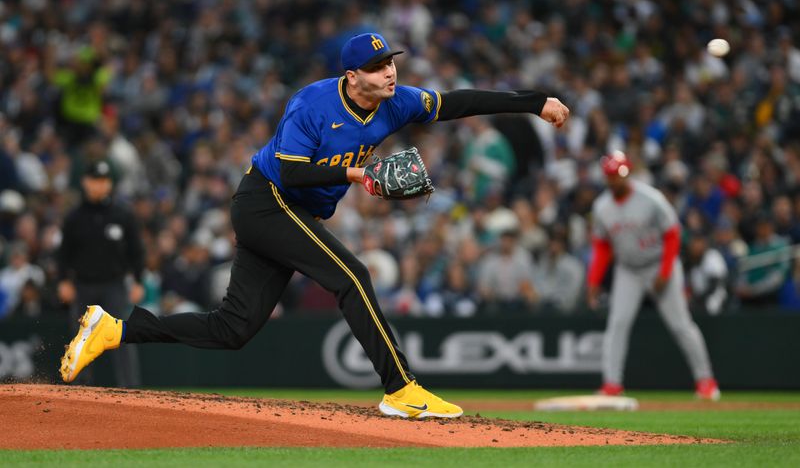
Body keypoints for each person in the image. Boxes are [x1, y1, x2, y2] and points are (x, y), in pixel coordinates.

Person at [61, 32, 569, 418]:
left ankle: (115, 329)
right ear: (352, 76)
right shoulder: (312, 104)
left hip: (292, 213)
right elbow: (290, 170)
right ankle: (400, 389)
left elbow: (459, 102)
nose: (389, 72)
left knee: (232, 328)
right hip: (267, 200)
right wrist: (358, 172)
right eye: (376, 66)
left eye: (391, 61)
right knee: (352, 277)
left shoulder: (397, 102)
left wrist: (532, 102)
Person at [587, 151, 720, 400]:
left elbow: (672, 235)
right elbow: (602, 247)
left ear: (628, 173)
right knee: (617, 325)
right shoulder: (602, 207)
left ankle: (707, 382)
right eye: (611, 176)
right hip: (628, 270)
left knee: (680, 325)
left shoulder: (651, 199)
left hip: (659, 264)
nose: (616, 179)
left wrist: (666, 271)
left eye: (619, 174)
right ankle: (612, 385)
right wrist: (593, 282)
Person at [57, 160, 144, 387]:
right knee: (81, 340)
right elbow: (63, 253)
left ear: (110, 184)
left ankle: (130, 388)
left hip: (114, 285)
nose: (99, 185)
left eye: (104, 181)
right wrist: (63, 280)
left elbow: (136, 251)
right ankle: (79, 391)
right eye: (95, 180)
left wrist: (138, 280)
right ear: (85, 182)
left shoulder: (122, 215)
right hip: (83, 285)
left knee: (121, 337)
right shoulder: (74, 217)